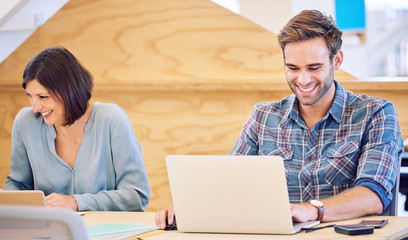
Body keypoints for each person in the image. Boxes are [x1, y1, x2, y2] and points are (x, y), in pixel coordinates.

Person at [155, 10, 403, 228]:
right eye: (293, 68)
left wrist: (313, 209)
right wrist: (190, 206)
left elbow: (373, 195)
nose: (303, 80)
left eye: (314, 68)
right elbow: (229, 181)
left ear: (336, 60)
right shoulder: (264, 117)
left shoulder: (375, 113)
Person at [2, 46, 150, 211]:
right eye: (30, 96)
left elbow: (136, 195)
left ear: (70, 91)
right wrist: (8, 196)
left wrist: (76, 202)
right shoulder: (26, 122)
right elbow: (18, 184)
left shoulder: (111, 119)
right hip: (49, 232)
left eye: (43, 97)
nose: (35, 108)